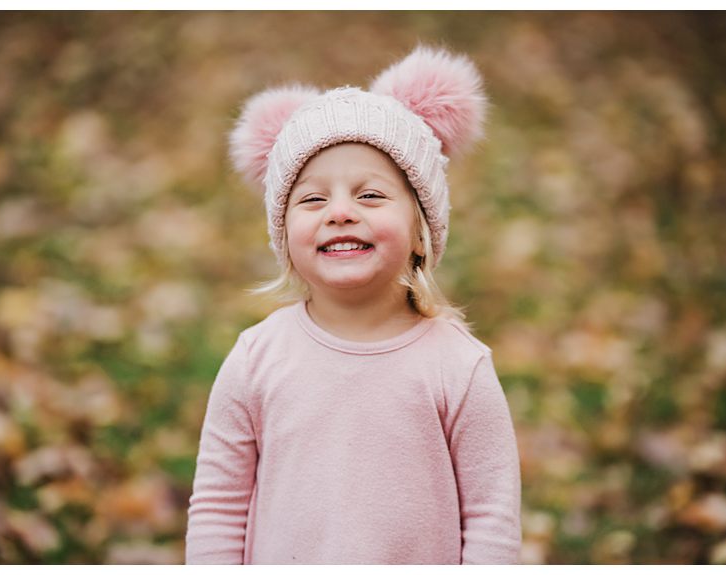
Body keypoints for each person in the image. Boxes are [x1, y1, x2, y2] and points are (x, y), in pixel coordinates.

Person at [186, 45, 521, 565]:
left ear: (420, 232)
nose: (340, 212)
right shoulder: (257, 358)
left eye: (370, 196)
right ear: (284, 235)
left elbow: (492, 517)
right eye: (313, 199)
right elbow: (218, 505)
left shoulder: (459, 367)